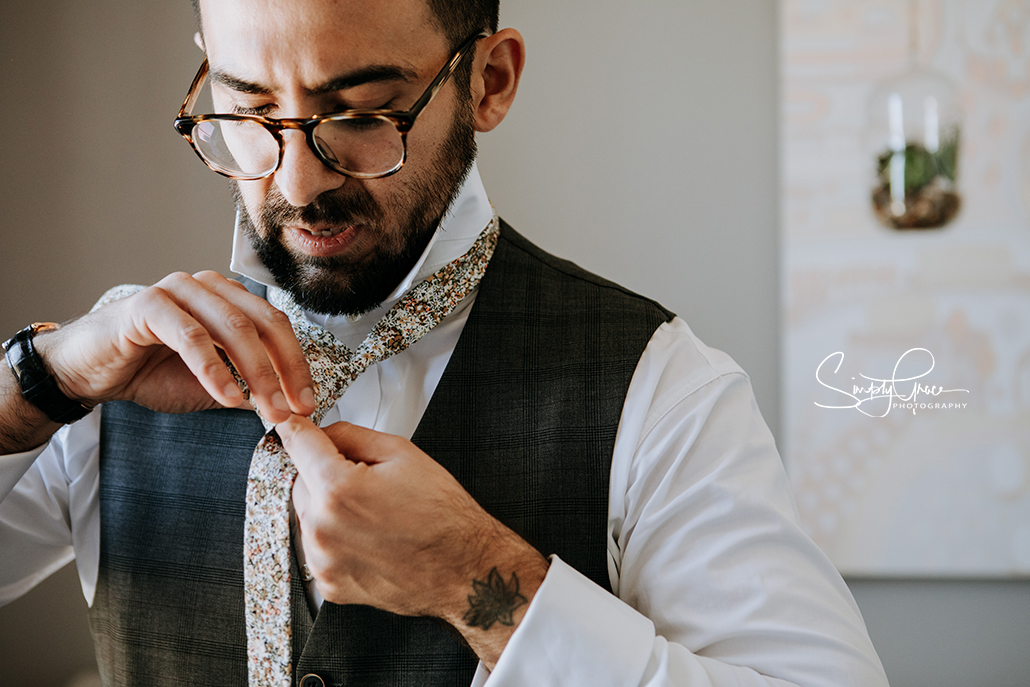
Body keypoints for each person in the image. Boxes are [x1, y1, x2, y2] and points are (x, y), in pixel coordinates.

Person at [0, 0, 889, 685]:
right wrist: (38, 381)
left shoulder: (657, 385)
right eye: (251, 109)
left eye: (360, 111)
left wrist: (479, 577)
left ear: (489, 82)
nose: (297, 182)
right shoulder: (103, 365)